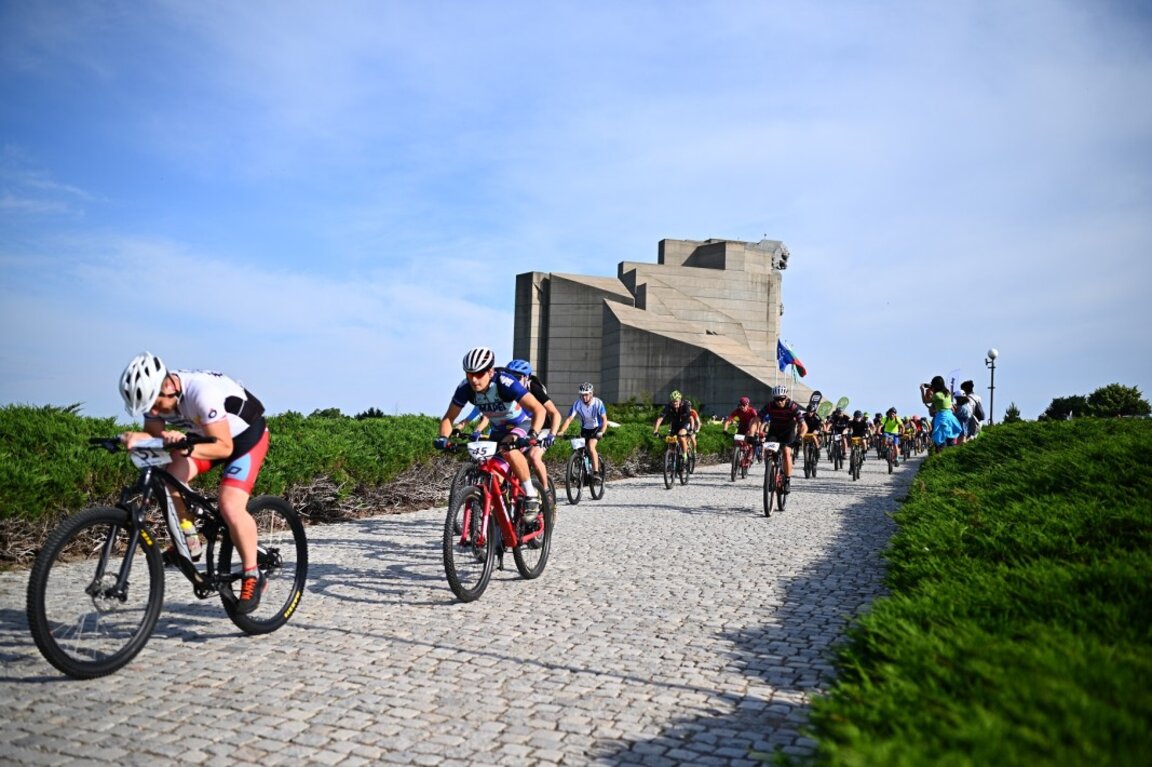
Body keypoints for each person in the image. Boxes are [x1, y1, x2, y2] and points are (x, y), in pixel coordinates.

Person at [118, 352, 269, 614]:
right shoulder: (157, 399)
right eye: (146, 410)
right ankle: (190, 539)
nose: (152, 413)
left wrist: (180, 446)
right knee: (168, 478)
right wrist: (132, 437)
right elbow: (157, 436)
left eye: (154, 405)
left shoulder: (201, 393)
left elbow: (223, 447)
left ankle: (252, 575)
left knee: (230, 506)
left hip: (244, 438)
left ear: (168, 386)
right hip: (204, 438)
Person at [435, 347, 547, 522]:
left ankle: (531, 496)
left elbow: (539, 409)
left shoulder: (505, 383)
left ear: (490, 371)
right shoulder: (465, 388)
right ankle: (496, 527)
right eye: (469, 374)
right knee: (492, 476)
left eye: (479, 374)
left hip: (521, 424)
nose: (473, 379)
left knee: (508, 449)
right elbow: (449, 418)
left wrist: (533, 434)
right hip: (498, 429)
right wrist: (443, 438)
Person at [504, 359, 563, 499]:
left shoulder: (534, 389)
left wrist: (552, 435)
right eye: (510, 377)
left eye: (517, 378)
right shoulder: (506, 389)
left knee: (534, 457)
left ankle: (546, 493)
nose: (513, 381)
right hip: (522, 429)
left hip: (543, 429)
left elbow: (555, 413)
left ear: (526, 377)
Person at [757, 385, 807, 490]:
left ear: (786, 397)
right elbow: (756, 419)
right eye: (776, 399)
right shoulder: (770, 406)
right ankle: (770, 473)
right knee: (768, 450)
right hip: (774, 431)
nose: (779, 402)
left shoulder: (792, 406)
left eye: (781, 399)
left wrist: (800, 437)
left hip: (788, 432)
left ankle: (787, 479)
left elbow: (803, 425)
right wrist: (753, 433)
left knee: (786, 452)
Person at [558, 382, 608, 477]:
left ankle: (596, 472)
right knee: (578, 449)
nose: (584, 397)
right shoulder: (577, 404)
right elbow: (569, 419)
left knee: (591, 446)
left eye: (586, 395)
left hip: (597, 428)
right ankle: (580, 471)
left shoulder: (598, 403)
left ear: (591, 394)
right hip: (585, 429)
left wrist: (602, 432)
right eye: (582, 395)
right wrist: (562, 431)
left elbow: (604, 420)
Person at [920, 376, 962, 451]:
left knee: (941, 442)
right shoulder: (948, 393)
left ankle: (940, 457)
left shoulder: (937, 395)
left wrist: (922, 390)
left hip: (942, 418)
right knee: (950, 441)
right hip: (950, 418)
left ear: (935, 385)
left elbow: (925, 401)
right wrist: (930, 386)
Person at [652, 390, 694, 463]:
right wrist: (655, 431)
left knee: (681, 436)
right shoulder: (668, 407)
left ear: (680, 400)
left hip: (685, 424)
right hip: (675, 425)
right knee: (671, 441)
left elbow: (691, 418)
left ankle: (685, 456)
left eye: (676, 401)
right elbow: (660, 419)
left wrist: (691, 429)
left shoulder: (685, 405)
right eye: (673, 401)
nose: (675, 403)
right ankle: (673, 458)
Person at [722, 396, 761, 460]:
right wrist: (725, 429)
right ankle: (736, 455)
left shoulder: (752, 410)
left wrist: (758, 431)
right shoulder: (737, 411)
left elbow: (758, 420)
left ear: (747, 405)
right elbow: (728, 420)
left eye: (743, 405)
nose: (741, 407)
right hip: (742, 427)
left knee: (749, 437)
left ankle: (750, 452)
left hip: (750, 428)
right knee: (736, 441)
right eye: (740, 405)